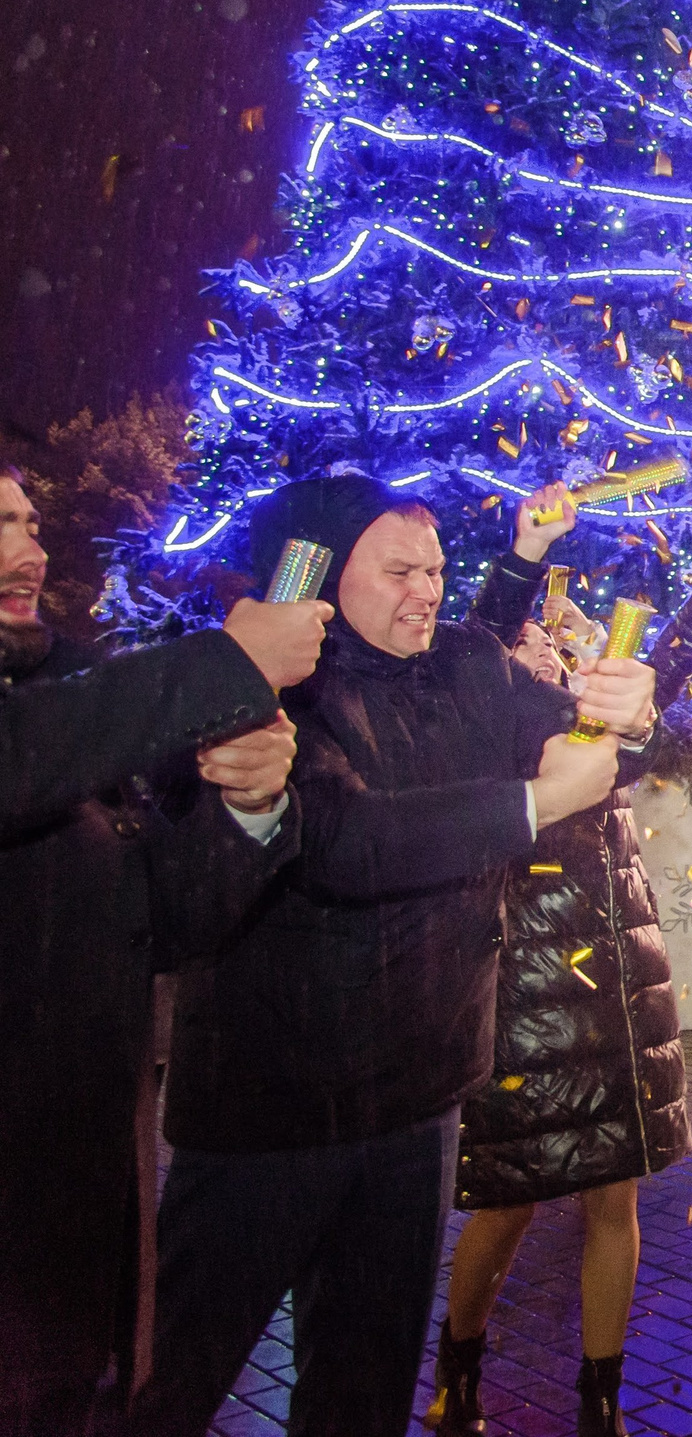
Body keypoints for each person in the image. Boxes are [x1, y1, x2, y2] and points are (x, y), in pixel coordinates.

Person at [129, 475, 648, 1437]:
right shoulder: (280, 689)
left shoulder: (466, 663)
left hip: (414, 1107)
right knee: (170, 1388)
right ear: (325, 578)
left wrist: (624, 709)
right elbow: (348, 843)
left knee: (361, 1396)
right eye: (399, 569)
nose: (428, 591)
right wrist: (531, 804)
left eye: (438, 568)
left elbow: (586, 744)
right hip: (269, 1113)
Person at [0, 462, 325, 1437]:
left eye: (26, 515)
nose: (30, 539)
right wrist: (226, 662)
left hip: (74, 1249)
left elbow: (161, 919)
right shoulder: (54, 726)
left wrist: (250, 804)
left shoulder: (65, 691)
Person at [428, 485, 692, 1437]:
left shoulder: (599, 729)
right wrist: (523, 557)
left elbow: (669, 665)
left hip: (613, 995)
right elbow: (481, 631)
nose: (540, 646)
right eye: (522, 642)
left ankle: (600, 1399)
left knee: (613, 1195)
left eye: (549, 643)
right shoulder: (479, 725)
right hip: (521, 999)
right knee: (508, 1203)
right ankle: (461, 1375)